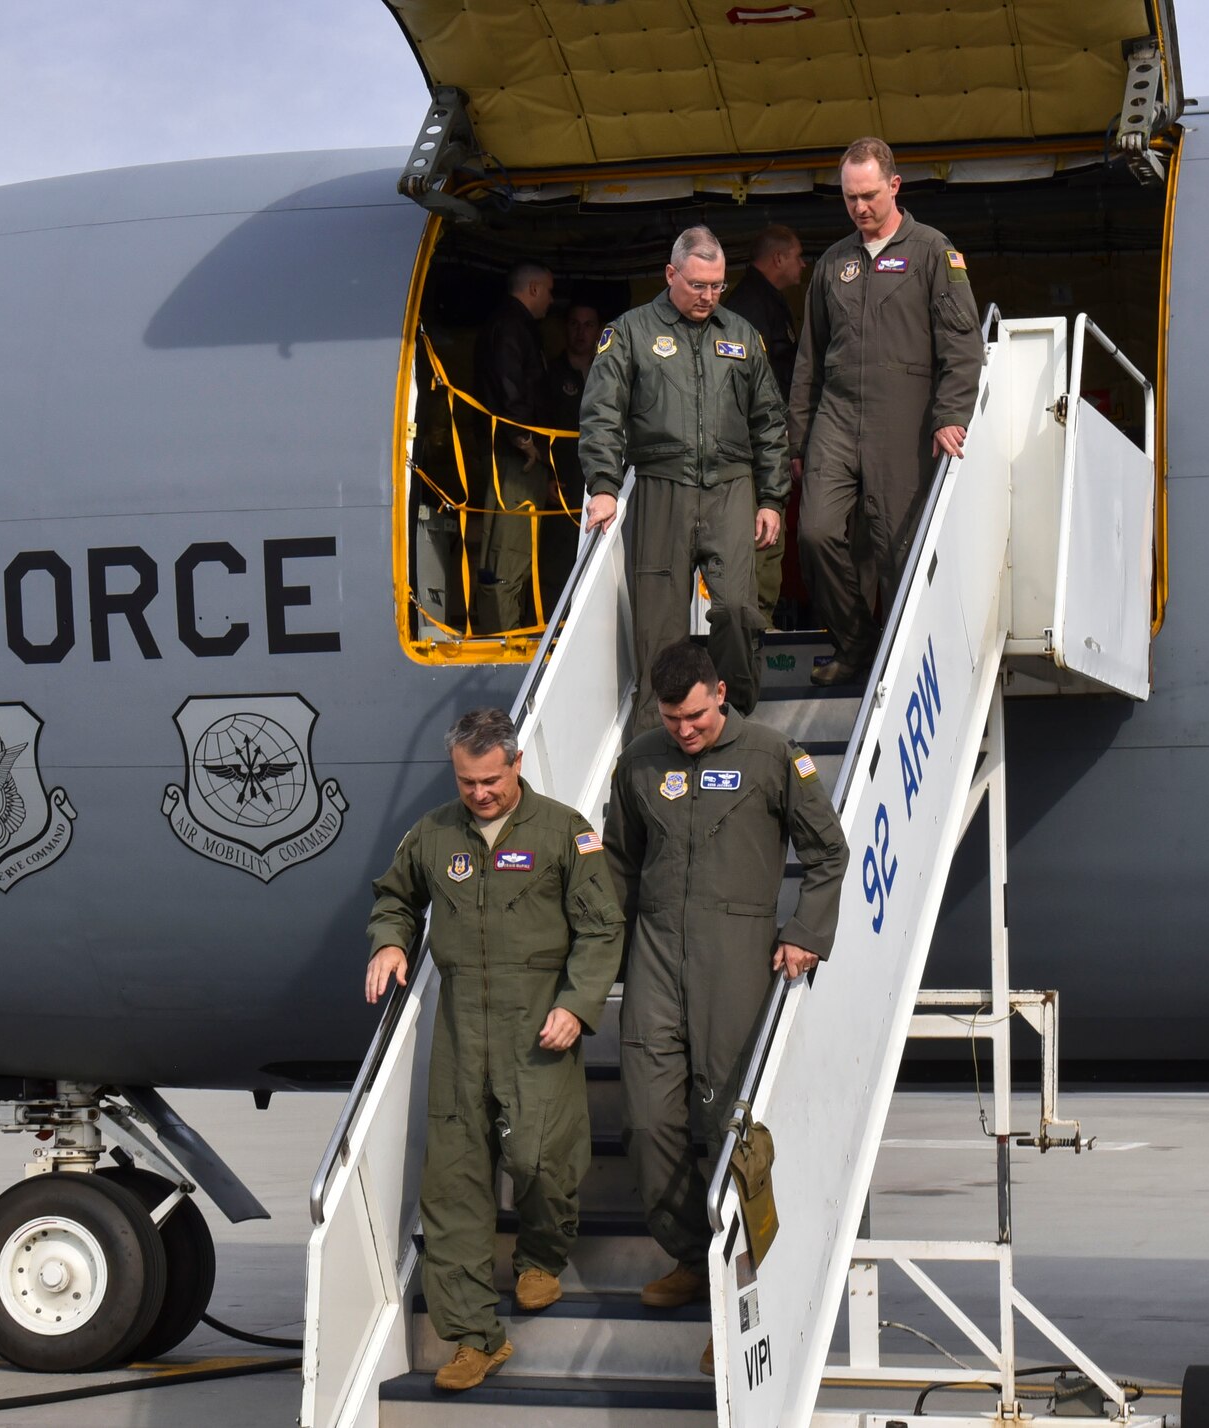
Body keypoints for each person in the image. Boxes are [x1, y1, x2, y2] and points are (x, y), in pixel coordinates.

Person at [366, 707, 623, 1393]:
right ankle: (475, 1337)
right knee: (452, 1185)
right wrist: (390, 940)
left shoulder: (564, 832)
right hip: (461, 1024)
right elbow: (394, 895)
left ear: (515, 764)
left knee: (542, 1155)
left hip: (537, 1017)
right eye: (466, 781)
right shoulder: (435, 833)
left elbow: (602, 928)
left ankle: (541, 1256)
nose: (478, 793)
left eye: (489, 779)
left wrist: (577, 1005)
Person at [604, 640, 847, 1364]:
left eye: (697, 716)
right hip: (653, 954)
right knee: (648, 1122)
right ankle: (688, 1255)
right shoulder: (640, 760)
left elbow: (829, 853)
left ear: (720, 693)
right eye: (673, 718)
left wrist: (805, 931)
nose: (685, 731)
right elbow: (618, 861)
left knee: (734, 1129)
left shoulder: (775, 756)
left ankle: (745, 1293)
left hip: (736, 956)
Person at [790, 137, 983, 686]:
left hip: (906, 418)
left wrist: (951, 415)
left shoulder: (932, 251)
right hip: (837, 415)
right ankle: (856, 644)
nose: (860, 208)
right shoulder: (833, 264)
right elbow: (809, 357)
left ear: (894, 186)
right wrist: (797, 438)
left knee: (898, 547)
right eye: (850, 198)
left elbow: (963, 345)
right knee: (816, 533)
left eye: (869, 195)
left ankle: (903, 667)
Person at [579, 226, 787, 723]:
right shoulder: (628, 332)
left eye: (717, 285)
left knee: (738, 611)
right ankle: (655, 740)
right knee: (660, 632)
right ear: (671, 274)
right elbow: (601, 413)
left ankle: (732, 718)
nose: (709, 296)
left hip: (731, 489)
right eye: (697, 285)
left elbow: (770, 420)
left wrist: (772, 498)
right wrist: (604, 487)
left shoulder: (741, 335)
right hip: (659, 488)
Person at [722, 226, 806, 630]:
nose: (803, 264)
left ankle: (759, 615)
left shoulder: (765, 301)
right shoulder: (750, 306)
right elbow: (754, 382)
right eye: (797, 256)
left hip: (765, 435)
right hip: (755, 440)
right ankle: (757, 618)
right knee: (764, 526)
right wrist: (777, 438)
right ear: (777, 259)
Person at [472, 262, 556, 635]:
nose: (552, 301)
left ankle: (509, 627)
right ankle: (503, 635)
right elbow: (511, 387)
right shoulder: (511, 327)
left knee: (515, 552)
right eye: (550, 292)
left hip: (516, 454)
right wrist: (524, 440)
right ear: (534, 289)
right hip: (515, 459)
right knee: (508, 552)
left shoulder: (514, 326)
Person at [538, 301, 604, 603]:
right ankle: (552, 630)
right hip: (562, 482)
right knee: (557, 558)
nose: (581, 331)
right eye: (575, 323)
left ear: (599, 331)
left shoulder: (609, 371)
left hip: (601, 482)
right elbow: (538, 425)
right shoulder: (551, 372)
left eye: (588, 324)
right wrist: (546, 476)